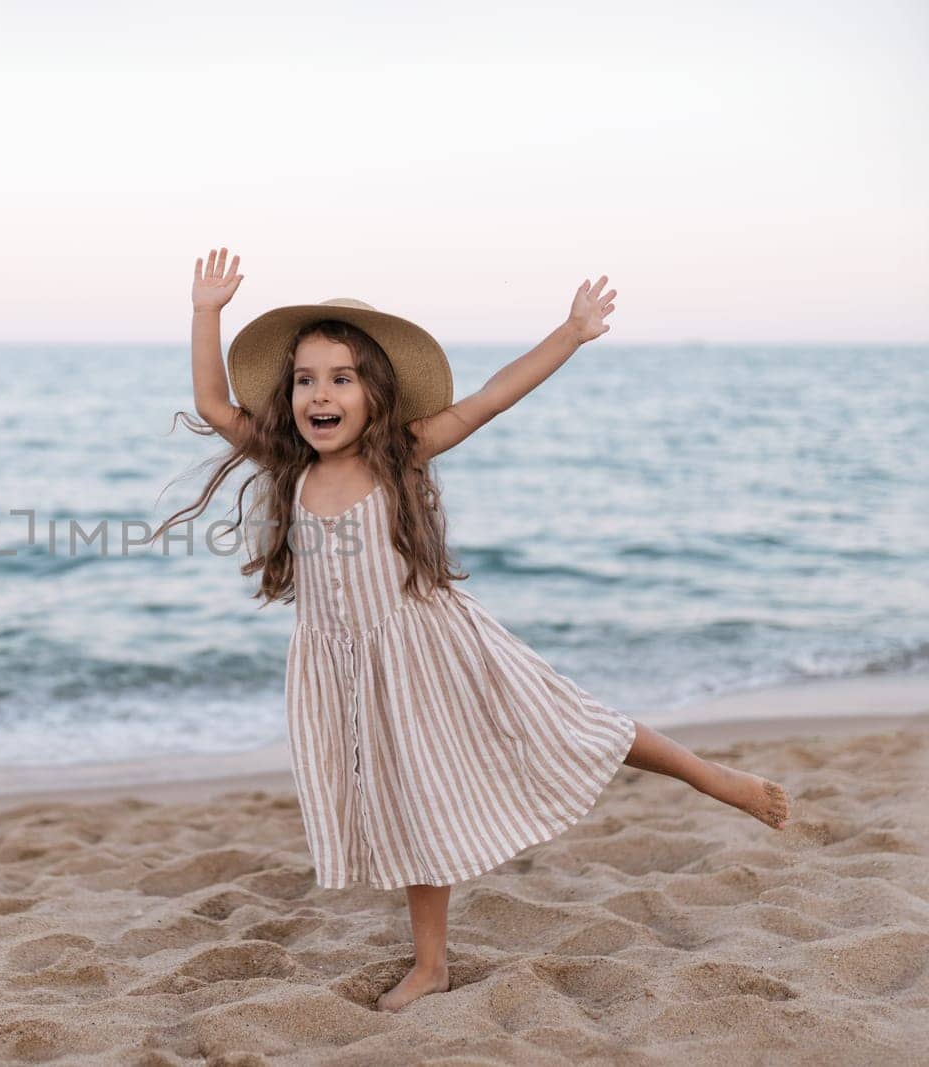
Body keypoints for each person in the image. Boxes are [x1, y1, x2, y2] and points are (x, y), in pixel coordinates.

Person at [155, 247, 793, 1014]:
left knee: (572, 722)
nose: (318, 395)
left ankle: (713, 777)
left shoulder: (400, 454)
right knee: (414, 798)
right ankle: (432, 964)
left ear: (375, 393)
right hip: (350, 673)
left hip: (440, 645)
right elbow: (216, 406)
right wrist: (206, 312)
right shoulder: (290, 464)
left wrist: (569, 332)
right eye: (305, 380)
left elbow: (492, 398)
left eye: (340, 377)